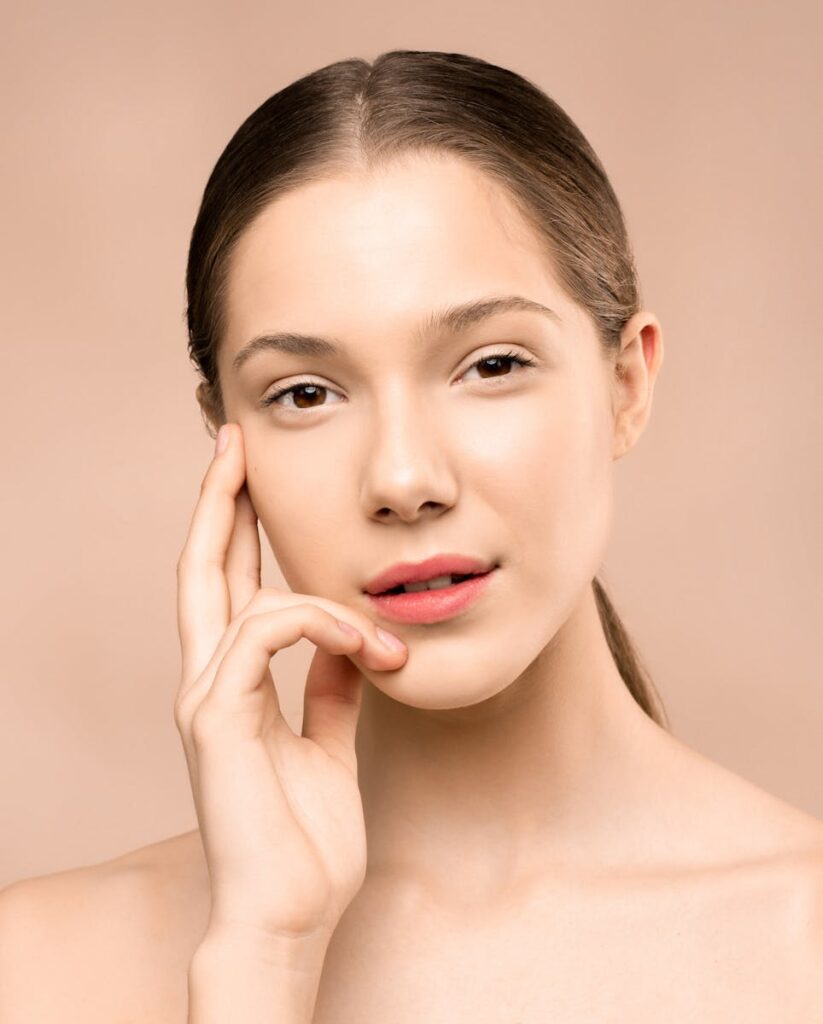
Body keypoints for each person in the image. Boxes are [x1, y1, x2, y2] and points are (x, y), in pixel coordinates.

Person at [1, 48, 821, 1023]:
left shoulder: (797, 942)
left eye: (489, 364)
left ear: (625, 385)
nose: (401, 479)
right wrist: (263, 955)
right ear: (226, 440)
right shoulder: (37, 969)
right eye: (305, 393)